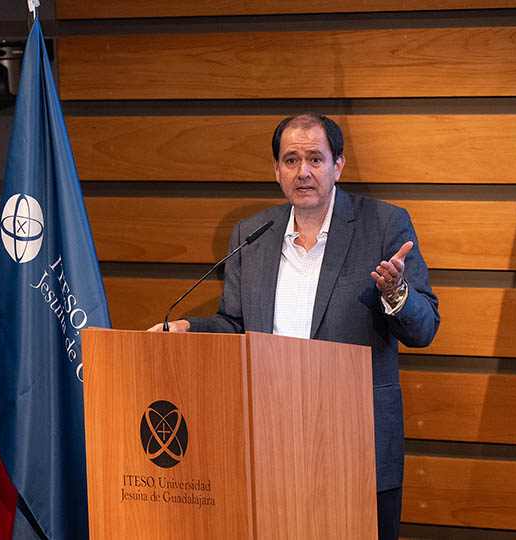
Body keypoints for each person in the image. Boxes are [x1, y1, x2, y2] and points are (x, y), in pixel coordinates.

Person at [149, 113, 440, 540]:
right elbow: (236, 325)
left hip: (355, 443)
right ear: (276, 170)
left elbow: (424, 328)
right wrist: (188, 329)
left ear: (338, 165)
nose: (303, 172)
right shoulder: (252, 235)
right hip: (270, 440)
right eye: (291, 160)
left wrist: (396, 292)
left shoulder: (383, 224)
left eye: (315, 159)